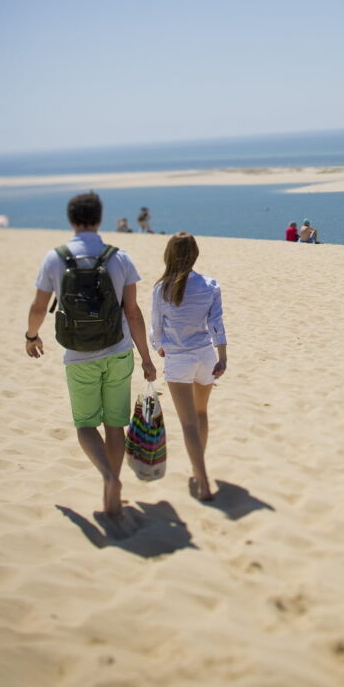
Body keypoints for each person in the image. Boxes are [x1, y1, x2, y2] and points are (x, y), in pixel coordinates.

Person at [25, 192, 156, 516]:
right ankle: (111, 492)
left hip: (79, 356)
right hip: (119, 352)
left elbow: (39, 307)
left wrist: (31, 336)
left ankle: (108, 478)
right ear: (98, 219)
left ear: (72, 220)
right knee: (114, 425)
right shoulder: (120, 257)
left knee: (85, 425)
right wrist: (147, 358)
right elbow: (134, 312)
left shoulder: (55, 258)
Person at [150, 232, 227, 502]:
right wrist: (223, 356)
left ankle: (202, 478)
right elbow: (217, 324)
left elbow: (156, 331)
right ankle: (198, 465)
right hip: (206, 356)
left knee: (188, 424)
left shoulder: (162, 289)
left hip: (179, 359)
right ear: (194, 255)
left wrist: (159, 346)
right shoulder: (209, 285)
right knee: (201, 413)